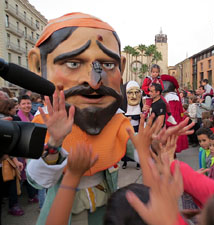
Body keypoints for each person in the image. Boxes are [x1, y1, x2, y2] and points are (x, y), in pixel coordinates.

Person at [26, 12, 136, 225]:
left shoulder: (116, 120)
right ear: (38, 66)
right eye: (74, 63)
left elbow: (142, 152)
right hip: (67, 211)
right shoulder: (43, 122)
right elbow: (37, 179)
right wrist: (54, 144)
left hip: (105, 207)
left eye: (108, 65)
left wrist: (154, 150)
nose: (94, 83)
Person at [121, 80, 142, 170]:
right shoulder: (123, 105)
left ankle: (138, 163)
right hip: (126, 128)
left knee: (137, 145)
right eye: (130, 93)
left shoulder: (141, 105)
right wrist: (126, 118)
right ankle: (125, 162)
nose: (133, 96)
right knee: (125, 145)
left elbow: (143, 116)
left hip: (137, 128)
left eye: (136, 92)